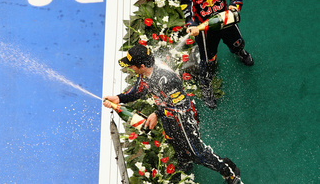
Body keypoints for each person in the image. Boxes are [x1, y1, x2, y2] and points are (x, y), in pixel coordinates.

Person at [103, 45, 243, 184]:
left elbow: (182, 106)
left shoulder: (167, 80)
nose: (129, 68)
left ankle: (229, 172)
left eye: (131, 65)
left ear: (142, 65)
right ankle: (184, 161)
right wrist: (119, 98)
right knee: (173, 140)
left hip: (183, 117)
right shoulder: (145, 72)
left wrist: (157, 114)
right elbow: (139, 90)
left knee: (197, 153)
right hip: (167, 115)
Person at [179, 0, 254, 109]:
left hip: (225, 21)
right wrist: (191, 26)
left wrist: (234, 7)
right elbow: (188, 14)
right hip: (204, 31)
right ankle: (206, 86)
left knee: (238, 44)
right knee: (208, 62)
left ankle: (240, 52)